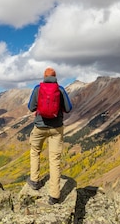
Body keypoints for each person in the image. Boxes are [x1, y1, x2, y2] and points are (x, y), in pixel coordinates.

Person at [26, 67, 73, 205]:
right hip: (56, 128)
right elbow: (68, 108)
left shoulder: (37, 88)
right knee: (54, 159)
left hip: (40, 127)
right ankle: (54, 196)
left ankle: (34, 181)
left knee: (35, 151)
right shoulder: (60, 89)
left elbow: (31, 107)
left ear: (44, 76)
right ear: (55, 76)